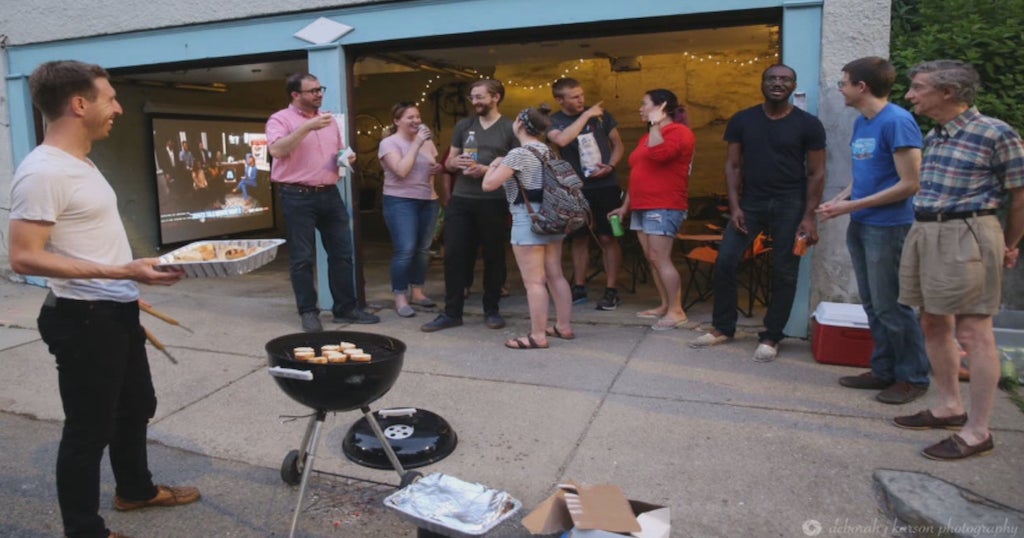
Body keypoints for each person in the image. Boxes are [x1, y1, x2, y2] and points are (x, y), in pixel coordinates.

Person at [8, 60, 200, 538]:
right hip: (83, 318)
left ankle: (135, 490)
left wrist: (135, 273)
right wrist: (121, 271)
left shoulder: (82, 162)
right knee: (87, 431)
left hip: (113, 309)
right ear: (79, 104)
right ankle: (84, 530)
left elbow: (87, 239)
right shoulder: (43, 172)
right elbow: (24, 258)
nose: (118, 107)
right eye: (109, 97)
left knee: (137, 405)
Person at [892, 60, 1024, 460]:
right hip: (927, 231)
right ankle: (950, 405)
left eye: (918, 88)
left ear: (948, 92)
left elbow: (1020, 195)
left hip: (968, 233)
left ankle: (978, 431)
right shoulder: (936, 134)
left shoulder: (996, 133)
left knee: (973, 332)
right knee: (932, 321)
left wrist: (1009, 242)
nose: (910, 95)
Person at [689, 64, 827, 362]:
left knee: (784, 271)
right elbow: (733, 165)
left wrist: (809, 216)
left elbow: (817, 173)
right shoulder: (743, 120)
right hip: (751, 202)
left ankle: (772, 336)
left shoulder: (808, 124)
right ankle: (723, 327)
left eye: (785, 79)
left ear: (793, 86)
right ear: (762, 83)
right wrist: (735, 205)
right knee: (725, 260)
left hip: (791, 203)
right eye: (772, 78)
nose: (778, 83)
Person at [817, 57, 931, 404]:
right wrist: (843, 197)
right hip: (863, 223)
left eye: (844, 82)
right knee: (872, 303)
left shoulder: (897, 122)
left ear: (861, 87)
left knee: (892, 306)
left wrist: (849, 207)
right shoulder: (862, 123)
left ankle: (913, 376)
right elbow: (867, 173)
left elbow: (910, 184)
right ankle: (883, 370)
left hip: (889, 228)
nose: (841, 89)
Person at [266, 72, 379, 332]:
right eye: (312, 90)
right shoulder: (280, 119)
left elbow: (339, 150)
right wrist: (306, 127)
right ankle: (308, 312)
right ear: (295, 95)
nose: (319, 94)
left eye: (320, 89)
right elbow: (277, 151)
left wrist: (345, 158)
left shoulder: (328, 120)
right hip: (297, 196)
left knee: (342, 254)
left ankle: (345, 308)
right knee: (302, 258)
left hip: (329, 194)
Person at [421, 79, 518, 333]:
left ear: (495, 97)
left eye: (479, 97)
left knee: (494, 256)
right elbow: (449, 161)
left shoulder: (509, 128)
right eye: (472, 97)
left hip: (494, 201)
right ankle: (452, 313)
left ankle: (492, 309)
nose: (474, 102)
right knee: (454, 255)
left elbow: (517, 167)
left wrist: (486, 170)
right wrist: (457, 163)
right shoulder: (464, 126)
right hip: (462, 200)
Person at [483, 107, 574, 349]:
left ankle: (537, 335)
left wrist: (494, 165)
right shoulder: (549, 152)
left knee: (534, 282)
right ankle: (563, 326)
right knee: (556, 275)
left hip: (528, 219)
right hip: (553, 217)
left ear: (521, 125)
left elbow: (489, 185)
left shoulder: (517, 154)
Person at [609, 89, 694, 331]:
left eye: (643, 104)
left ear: (661, 106)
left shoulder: (679, 132)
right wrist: (625, 207)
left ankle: (677, 311)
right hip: (642, 205)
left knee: (660, 257)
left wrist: (656, 125)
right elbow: (638, 174)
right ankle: (665, 305)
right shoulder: (647, 136)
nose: (639, 108)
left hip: (665, 204)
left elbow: (660, 155)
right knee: (652, 258)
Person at [547, 78, 625, 310]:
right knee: (579, 237)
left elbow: (618, 145)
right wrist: (586, 115)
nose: (581, 100)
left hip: (606, 185)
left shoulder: (602, 116)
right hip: (575, 188)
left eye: (582, 95)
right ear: (560, 100)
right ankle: (579, 286)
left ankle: (611, 289)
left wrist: (611, 165)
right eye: (574, 97)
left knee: (608, 237)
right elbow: (561, 141)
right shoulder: (553, 121)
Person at [378, 102, 442, 317]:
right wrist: (417, 144)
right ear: (397, 121)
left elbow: (431, 168)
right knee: (405, 249)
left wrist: (437, 168)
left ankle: (418, 291)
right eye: (410, 117)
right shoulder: (389, 144)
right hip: (400, 201)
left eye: (417, 116)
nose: (416, 121)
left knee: (423, 250)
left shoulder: (427, 142)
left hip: (428, 200)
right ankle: (400, 297)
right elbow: (402, 171)